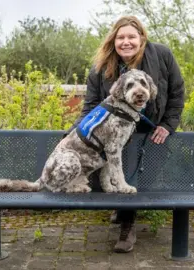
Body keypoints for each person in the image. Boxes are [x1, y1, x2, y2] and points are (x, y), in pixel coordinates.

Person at [69, 15, 185, 253]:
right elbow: (91, 104)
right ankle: (124, 214)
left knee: (134, 175)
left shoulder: (162, 56)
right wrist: (76, 131)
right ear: (114, 40)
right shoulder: (102, 67)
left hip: (149, 132)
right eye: (120, 37)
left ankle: (127, 224)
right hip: (115, 133)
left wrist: (167, 125)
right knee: (115, 166)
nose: (126, 42)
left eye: (131, 36)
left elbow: (176, 93)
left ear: (141, 38)